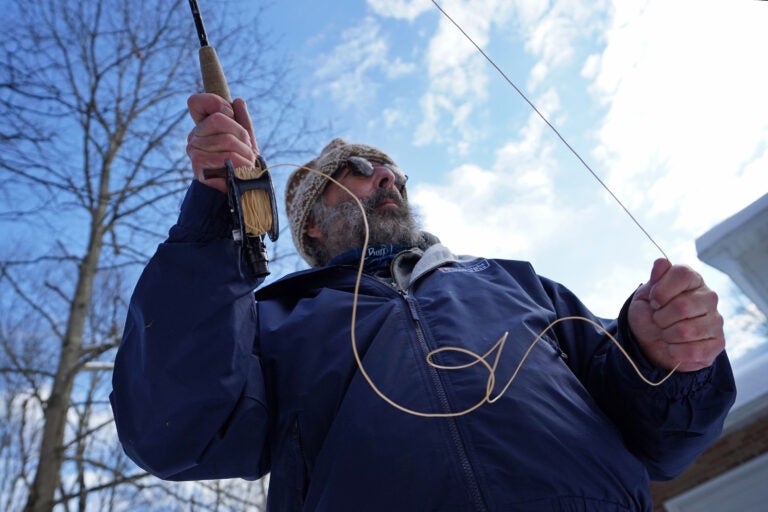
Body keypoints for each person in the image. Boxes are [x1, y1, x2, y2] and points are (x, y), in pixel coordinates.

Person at [110, 93, 736, 512]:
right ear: (313, 227)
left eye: (396, 174)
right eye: (359, 167)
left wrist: (664, 357)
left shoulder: (517, 283)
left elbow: (664, 441)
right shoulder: (270, 321)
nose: (388, 177)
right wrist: (219, 216)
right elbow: (178, 429)